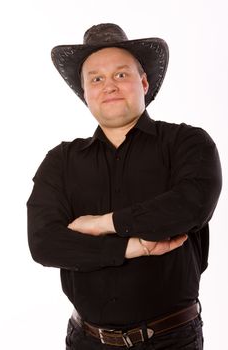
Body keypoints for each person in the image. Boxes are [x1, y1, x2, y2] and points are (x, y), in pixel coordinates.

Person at [27, 23, 222, 349]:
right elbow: (45, 243)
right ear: (85, 92)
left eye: (121, 75)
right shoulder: (60, 161)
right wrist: (133, 246)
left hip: (172, 341)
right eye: (97, 79)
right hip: (85, 341)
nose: (109, 86)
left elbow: (189, 206)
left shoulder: (188, 143)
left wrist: (102, 224)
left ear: (143, 82)